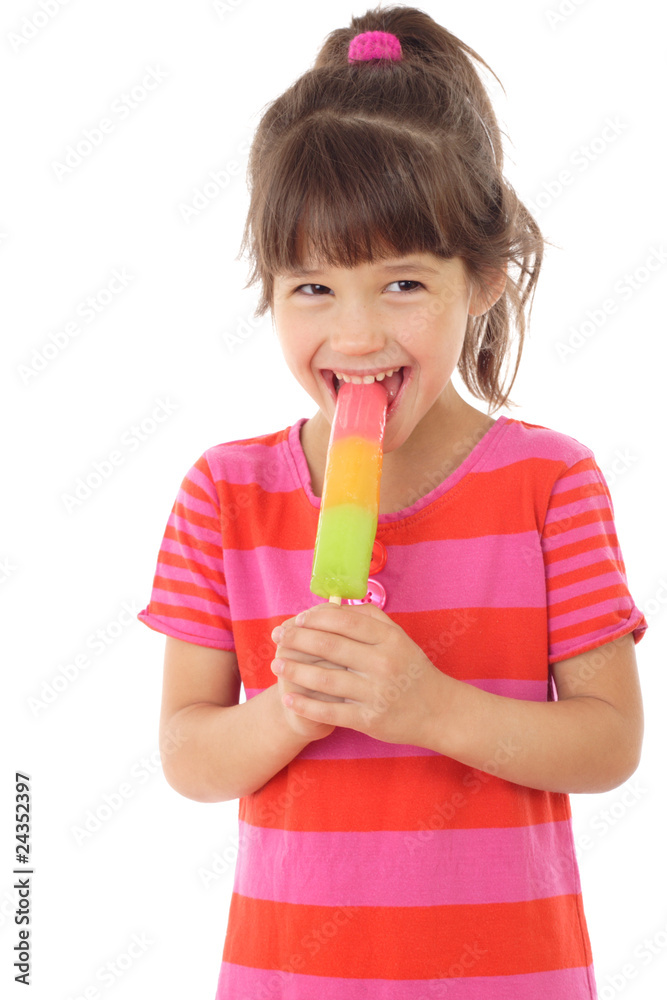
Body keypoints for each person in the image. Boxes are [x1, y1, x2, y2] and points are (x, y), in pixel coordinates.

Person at [137, 6, 647, 997]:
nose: (356, 336)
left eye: (403, 283)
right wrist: (292, 709)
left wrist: (428, 706)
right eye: (312, 289)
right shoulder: (225, 495)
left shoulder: (550, 485)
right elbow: (187, 754)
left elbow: (608, 743)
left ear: (483, 279)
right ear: (270, 289)